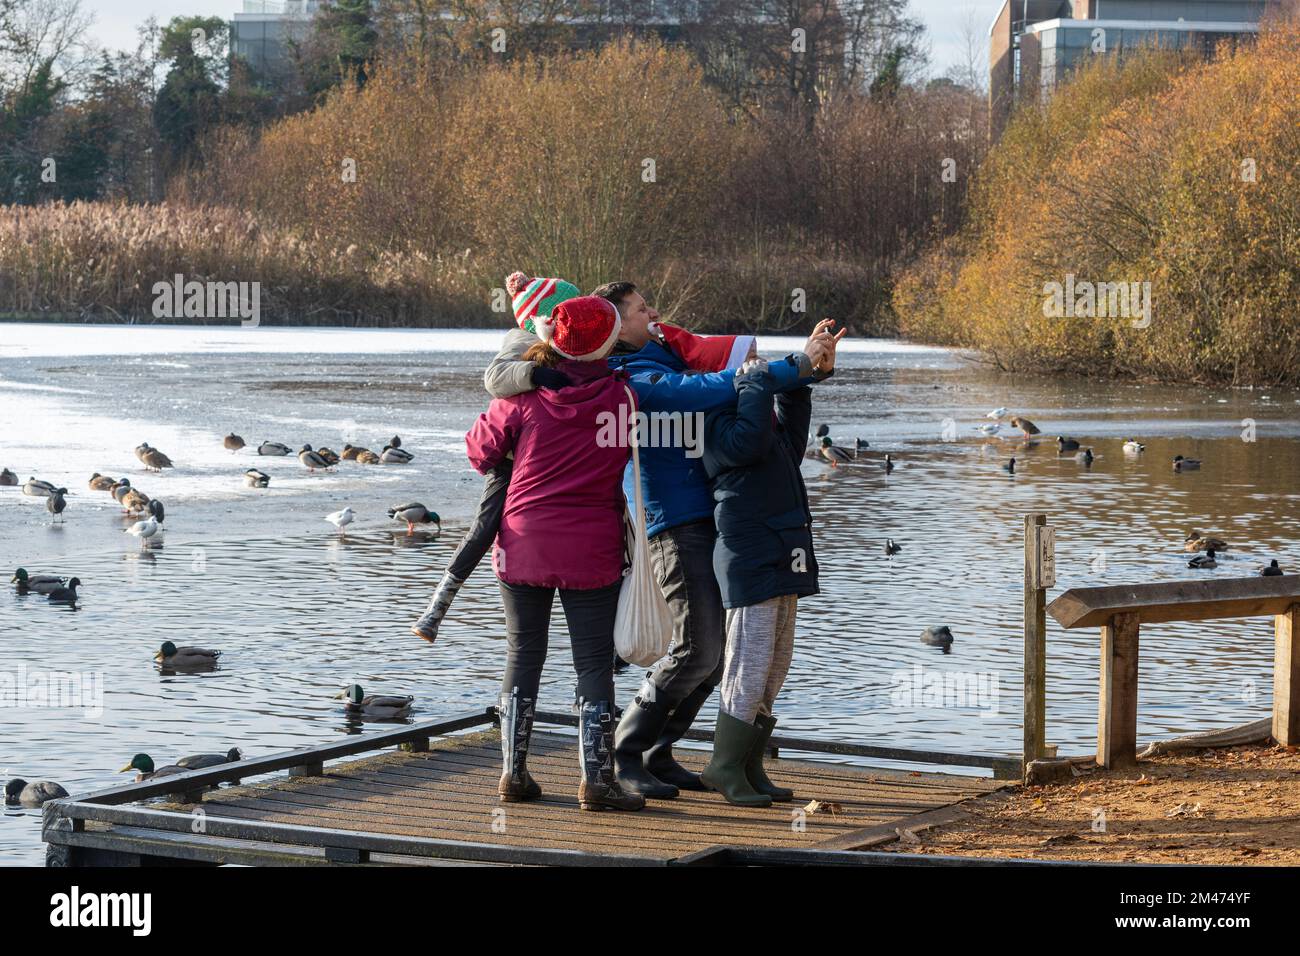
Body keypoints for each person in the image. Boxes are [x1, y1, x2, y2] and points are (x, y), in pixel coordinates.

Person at [599, 286, 836, 800]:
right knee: (696, 647)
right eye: (642, 308)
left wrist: (802, 376)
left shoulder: (665, 351)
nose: (655, 313)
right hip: (673, 519)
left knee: (721, 650)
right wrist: (791, 367)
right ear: (614, 325)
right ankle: (625, 753)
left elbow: (724, 380)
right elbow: (705, 387)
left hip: (717, 517)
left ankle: (661, 751)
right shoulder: (627, 376)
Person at [465, 294, 644, 812]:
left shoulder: (520, 395)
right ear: (607, 343)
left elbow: (480, 452)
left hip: (524, 541)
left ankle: (513, 774)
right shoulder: (623, 399)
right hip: (593, 547)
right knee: (593, 665)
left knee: (523, 654)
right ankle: (597, 781)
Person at [698, 324, 844, 807]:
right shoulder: (714, 422)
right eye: (750, 362)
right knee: (748, 662)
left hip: (781, 550)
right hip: (748, 555)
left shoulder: (755, 413)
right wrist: (758, 382)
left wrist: (805, 377)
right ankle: (723, 767)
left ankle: (748, 763)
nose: (759, 368)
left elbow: (790, 441)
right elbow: (750, 445)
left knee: (774, 665)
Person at [410, 273, 581, 640]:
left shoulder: (564, 343)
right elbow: (495, 377)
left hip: (537, 454)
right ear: (545, 314)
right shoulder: (521, 341)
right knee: (485, 526)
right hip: (508, 458)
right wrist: (536, 374)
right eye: (567, 308)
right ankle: (439, 603)